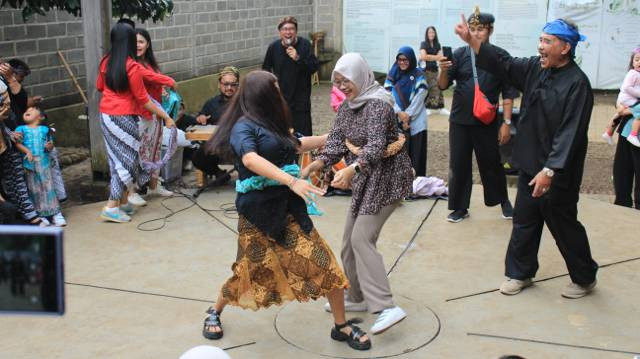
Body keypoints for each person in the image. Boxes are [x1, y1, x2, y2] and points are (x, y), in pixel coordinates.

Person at [202, 70, 371, 351]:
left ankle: (341, 327)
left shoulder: (274, 122)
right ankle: (214, 310)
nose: (280, 92)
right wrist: (292, 180)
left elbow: (297, 145)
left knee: (325, 263)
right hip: (258, 213)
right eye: (275, 87)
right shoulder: (243, 127)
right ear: (262, 93)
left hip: (289, 209)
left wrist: (335, 138)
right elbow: (250, 159)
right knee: (248, 270)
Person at [455, 16, 599, 298]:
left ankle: (584, 278)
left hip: (558, 172)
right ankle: (520, 273)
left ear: (565, 47)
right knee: (524, 221)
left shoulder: (577, 85)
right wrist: (473, 42)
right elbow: (505, 64)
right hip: (531, 163)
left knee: (564, 225)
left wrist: (550, 171)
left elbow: (570, 133)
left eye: (547, 42)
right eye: (540, 40)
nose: (540, 46)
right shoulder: (535, 68)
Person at [302, 53, 413, 335]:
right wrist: (318, 162)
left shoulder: (378, 104)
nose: (342, 86)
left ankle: (386, 306)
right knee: (348, 243)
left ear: (360, 76)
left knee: (362, 238)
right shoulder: (348, 106)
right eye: (337, 82)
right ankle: (358, 297)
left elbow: (375, 147)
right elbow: (337, 140)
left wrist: (351, 170)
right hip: (367, 178)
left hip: (387, 179)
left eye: (346, 80)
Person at [437, 9, 516, 223]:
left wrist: (506, 123)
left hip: (486, 121)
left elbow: (508, 92)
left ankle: (503, 201)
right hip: (460, 120)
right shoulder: (459, 55)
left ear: (490, 30)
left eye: (480, 29)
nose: (476, 33)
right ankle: (460, 207)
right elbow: (443, 85)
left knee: (491, 162)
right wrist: (442, 69)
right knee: (459, 164)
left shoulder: (499, 56)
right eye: (472, 29)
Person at [96, 23, 175, 223]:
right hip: (123, 117)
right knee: (128, 162)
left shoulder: (106, 61)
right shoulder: (131, 66)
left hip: (106, 115)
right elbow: (143, 99)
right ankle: (111, 206)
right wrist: (166, 116)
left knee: (117, 160)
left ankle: (123, 203)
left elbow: (99, 87)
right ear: (130, 41)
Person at [126, 28, 177, 207]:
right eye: (134, 42)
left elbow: (153, 80)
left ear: (148, 44)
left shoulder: (150, 63)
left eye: (141, 42)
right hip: (140, 114)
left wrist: (162, 88)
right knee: (137, 151)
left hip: (155, 114)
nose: (137, 45)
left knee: (154, 150)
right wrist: (167, 80)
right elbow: (147, 77)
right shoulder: (132, 64)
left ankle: (154, 185)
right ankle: (131, 190)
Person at [262, 16, 319, 136]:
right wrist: (272, 83)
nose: (288, 32)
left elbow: (313, 68)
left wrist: (297, 58)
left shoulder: (305, 45)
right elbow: (265, 70)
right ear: (280, 32)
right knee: (281, 136)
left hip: (300, 101)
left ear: (296, 31)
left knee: (303, 137)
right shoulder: (273, 47)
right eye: (285, 29)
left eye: (291, 29)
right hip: (280, 101)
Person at [13, 106, 66, 226]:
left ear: (41, 117)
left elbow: (50, 144)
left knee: (49, 188)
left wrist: (49, 147)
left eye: (32, 110)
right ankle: (41, 215)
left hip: (44, 164)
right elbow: (17, 143)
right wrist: (27, 151)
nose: (28, 111)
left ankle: (56, 213)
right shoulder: (20, 129)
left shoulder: (44, 130)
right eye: (26, 110)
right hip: (29, 165)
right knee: (34, 190)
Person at [189, 67, 241, 182]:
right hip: (218, 146)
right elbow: (200, 120)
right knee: (198, 156)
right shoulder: (211, 103)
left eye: (233, 85)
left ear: (238, 85)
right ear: (219, 84)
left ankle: (248, 177)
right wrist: (200, 119)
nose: (229, 88)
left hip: (240, 145)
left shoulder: (245, 102)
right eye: (226, 84)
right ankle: (218, 173)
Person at [385, 46, 429, 176]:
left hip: (416, 120)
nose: (402, 62)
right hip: (397, 119)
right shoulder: (393, 74)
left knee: (416, 152)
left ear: (411, 59)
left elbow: (420, 95)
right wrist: (399, 113)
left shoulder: (419, 75)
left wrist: (408, 115)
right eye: (400, 59)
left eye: (405, 60)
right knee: (397, 151)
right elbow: (388, 95)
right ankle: (398, 183)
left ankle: (416, 183)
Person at [602, 49, 640, 147]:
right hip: (628, 98)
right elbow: (626, 87)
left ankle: (608, 133)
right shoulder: (633, 73)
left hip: (625, 98)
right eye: (637, 60)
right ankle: (633, 135)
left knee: (619, 114)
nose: (639, 62)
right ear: (632, 62)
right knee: (638, 114)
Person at [420, 26, 449, 116]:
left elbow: (441, 57)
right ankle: (427, 108)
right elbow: (424, 56)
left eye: (433, 32)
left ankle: (441, 108)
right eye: (429, 32)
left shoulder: (437, 44)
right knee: (428, 88)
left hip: (435, 70)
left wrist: (431, 57)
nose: (431, 34)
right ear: (427, 34)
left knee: (439, 88)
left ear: (435, 34)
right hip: (426, 70)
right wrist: (436, 57)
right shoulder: (423, 44)